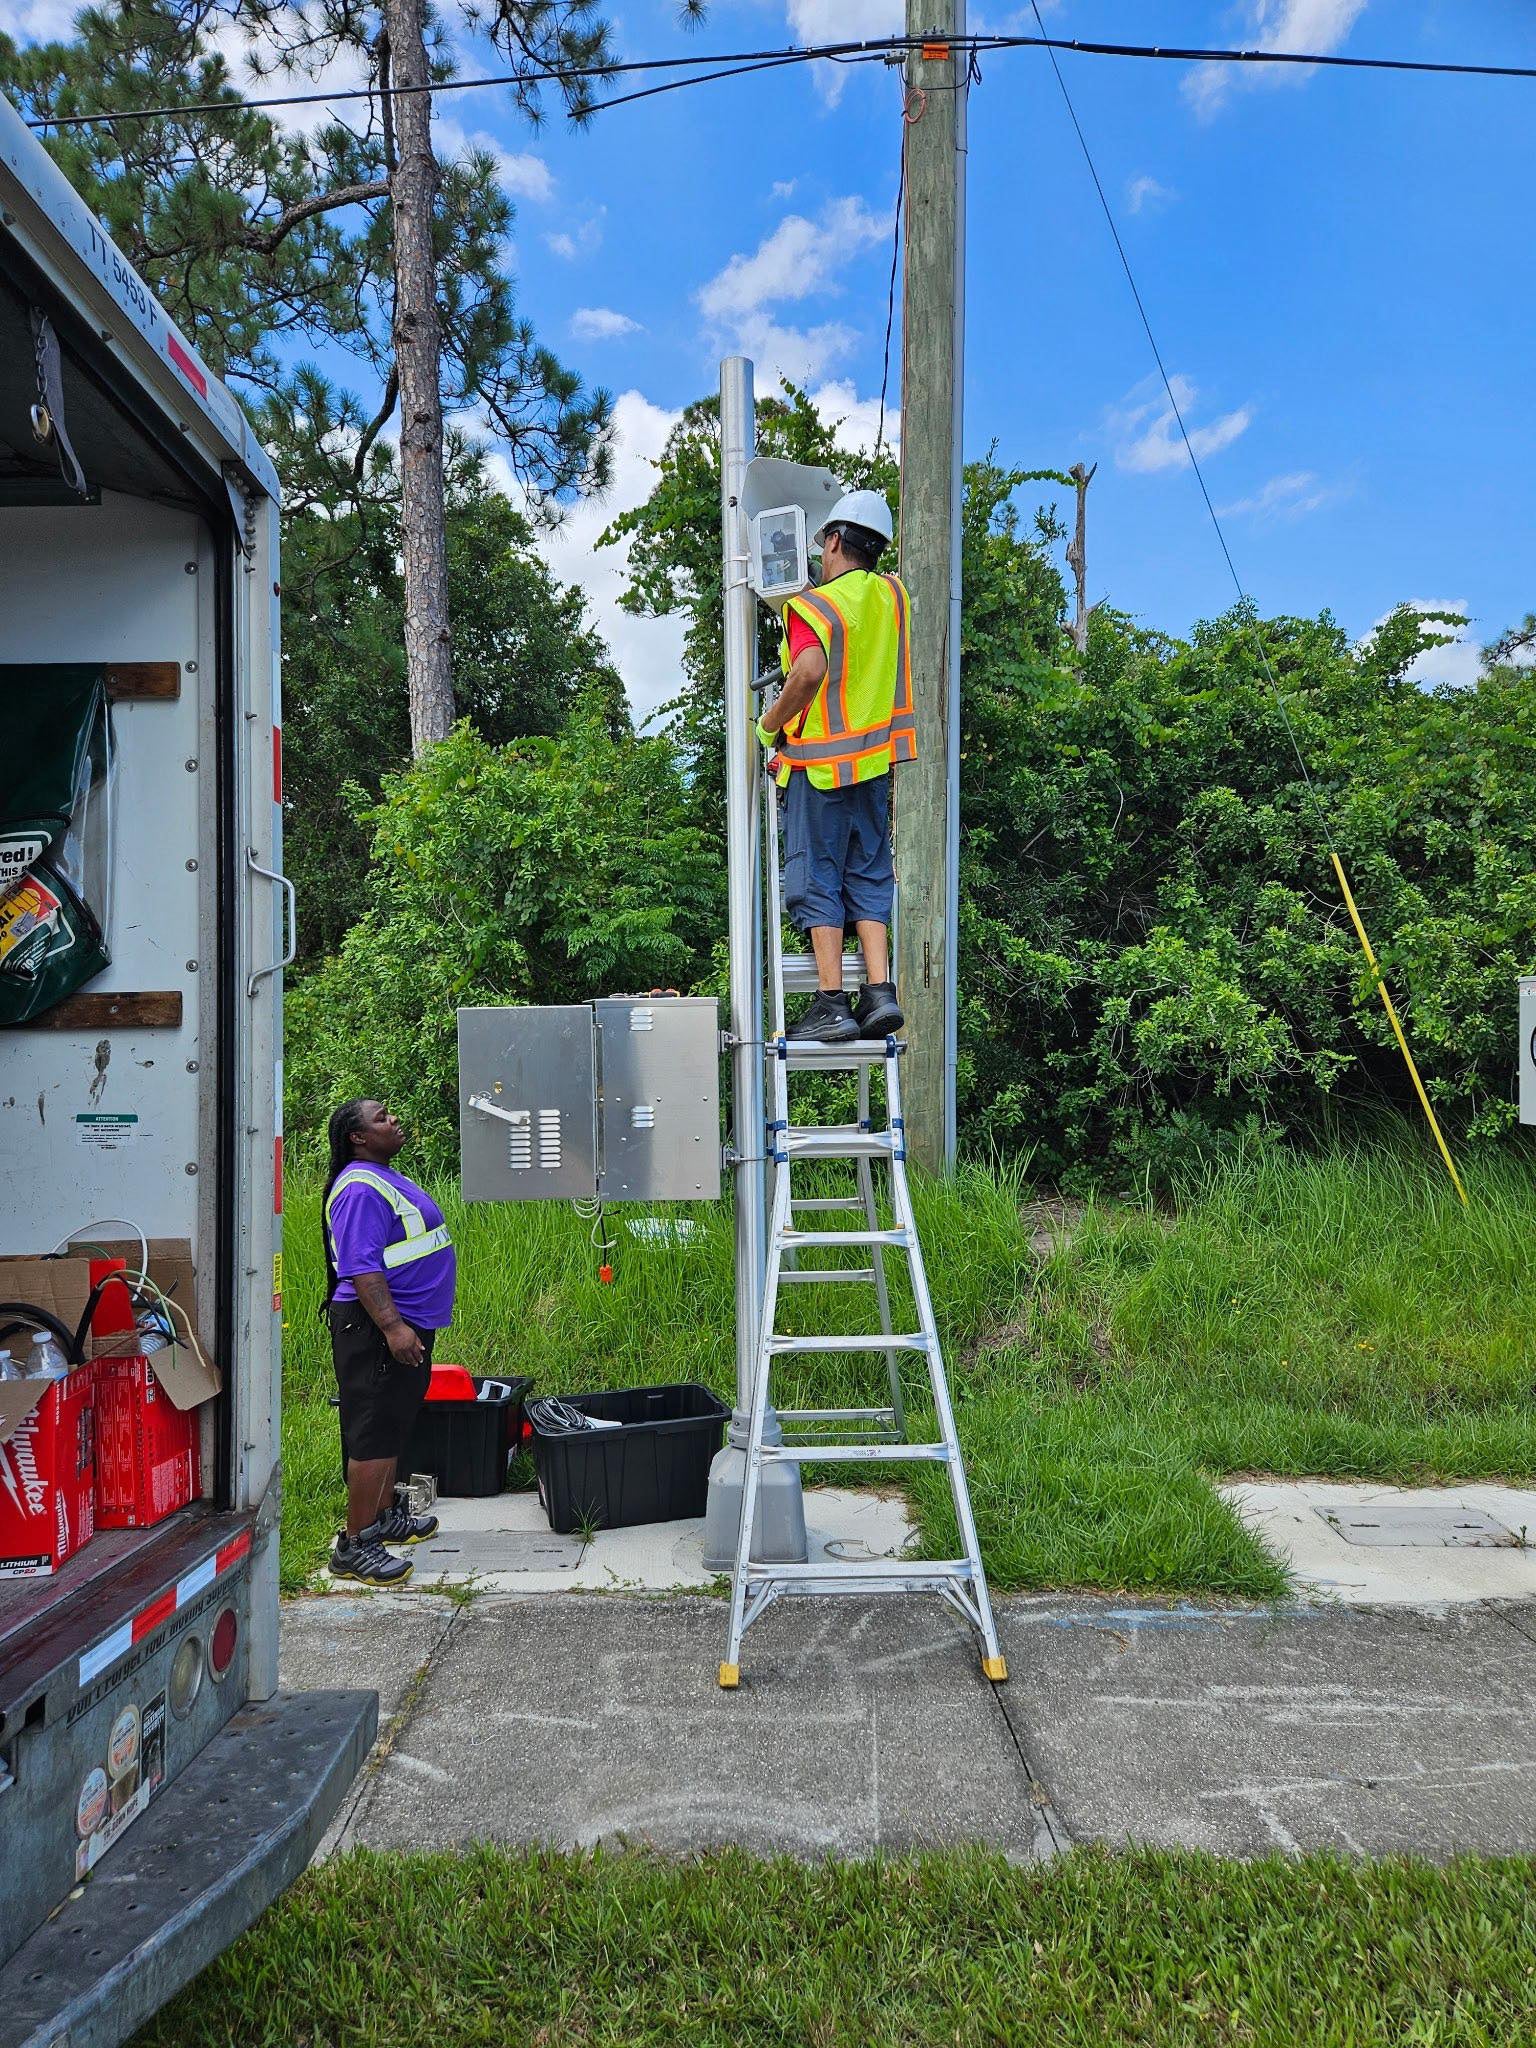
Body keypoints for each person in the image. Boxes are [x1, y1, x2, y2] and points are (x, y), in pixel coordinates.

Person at [755, 488, 915, 1044]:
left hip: (818, 771)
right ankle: (879, 992)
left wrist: (770, 723)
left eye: (824, 542)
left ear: (835, 541)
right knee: (869, 874)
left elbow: (810, 671)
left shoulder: (813, 607)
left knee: (816, 877)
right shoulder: (892, 595)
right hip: (872, 768)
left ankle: (830, 1004)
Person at [322, 1098, 456, 1585]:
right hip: (378, 1327)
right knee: (373, 1431)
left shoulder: (381, 1177)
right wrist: (393, 1327)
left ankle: (381, 1520)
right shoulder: (360, 1188)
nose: (393, 1119)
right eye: (381, 1117)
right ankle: (355, 1543)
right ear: (357, 1136)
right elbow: (360, 1266)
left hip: (405, 1322)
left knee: (392, 1421)